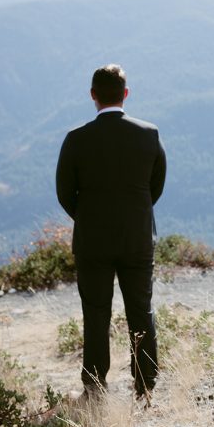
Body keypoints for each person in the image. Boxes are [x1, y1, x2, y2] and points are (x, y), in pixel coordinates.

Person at [55, 64, 167, 400]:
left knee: (95, 313)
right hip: (137, 238)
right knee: (140, 311)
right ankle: (145, 385)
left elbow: (64, 191)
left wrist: (87, 216)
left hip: (92, 241)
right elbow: (155, 186)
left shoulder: (76, 139)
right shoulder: (149, 134)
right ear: (126, 93)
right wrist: (137, 213)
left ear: (93, 95)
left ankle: (94, 385)